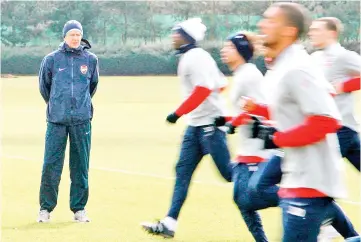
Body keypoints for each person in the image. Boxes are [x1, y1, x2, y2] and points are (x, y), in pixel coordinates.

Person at [251, 2, 353, 241]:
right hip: (297, 177)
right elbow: (295, 108)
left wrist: (277, 138)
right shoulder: (284, 66)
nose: (261, 24)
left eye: (270, 20)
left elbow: (326, 121)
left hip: (310, 181)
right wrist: (261, 114)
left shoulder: (296, 68)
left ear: (289, 30)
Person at [141, 18, 232, 238]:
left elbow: (202, 90)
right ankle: (170, 222)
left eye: (177, 33)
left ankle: (286, 192)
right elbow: (221, 84)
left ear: (188, 37)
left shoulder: (196, 58)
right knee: (182, 171)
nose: (173, 36)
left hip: (209, 126)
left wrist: (177, 113)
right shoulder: (193, 57)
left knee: (229, 174)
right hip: (196, 126)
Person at [216, 31, 280, 242]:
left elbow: (260, 108)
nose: (223, 51)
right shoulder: (242, 73)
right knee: (241, 199)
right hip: (247, 147)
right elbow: (244, 109)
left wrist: (234, 122)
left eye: (230, 47)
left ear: (242, 51)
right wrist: (226, 119)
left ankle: (306, 200)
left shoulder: (249, 74)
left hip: (257, 148)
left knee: (246, 198)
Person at [37, 20, 99, 223]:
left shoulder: (90, 60)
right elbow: (44, 87)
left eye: (78, 35)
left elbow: (92, 86)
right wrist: (57, 105)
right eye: (71, 34)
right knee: (51, 165)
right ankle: (45, 209)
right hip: (56, 120)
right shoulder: (51, 59)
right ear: (64, 36)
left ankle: (79, 209)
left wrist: (80, 106)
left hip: (82, 120)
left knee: (80, 165)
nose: (75, 38)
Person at [309, 17, 360, 172]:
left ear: (331, 33)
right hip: (325, 127)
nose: (311, 33)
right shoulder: (314, 58)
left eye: (316, 30)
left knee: (316, 174)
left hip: (340, 127)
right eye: (311, 30)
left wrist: (345, 85)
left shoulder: (343, 55)